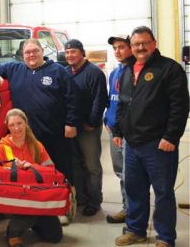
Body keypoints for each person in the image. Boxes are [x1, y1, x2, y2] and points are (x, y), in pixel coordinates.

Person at [0, 38, 81, 225]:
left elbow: (73, 99)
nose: (31, 55)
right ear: (22, 55)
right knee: (33, 174)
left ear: (42, 51)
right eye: (27, 52)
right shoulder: (15, 69)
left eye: (34, 51)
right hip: (28, 137)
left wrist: (71, 123)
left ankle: (63, 207)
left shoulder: (58, 71)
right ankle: (38, 207)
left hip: (55, 134)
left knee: (60, 171)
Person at [113, 26, 189, 247]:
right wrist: (118, 131)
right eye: (136, 44)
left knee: (163, 193)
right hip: (132, 145)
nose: (140, 47)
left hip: (159, 144)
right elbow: (123, 104)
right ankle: (136, 230)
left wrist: (171, 137)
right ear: (132, 47)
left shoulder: (169, 69)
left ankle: (165, 237)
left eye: (145, 43)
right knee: (134, 190)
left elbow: (180, 106)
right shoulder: (127, 71)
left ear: (154, 43)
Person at [0, 108, 62, 247]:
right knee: (27, 212)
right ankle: (13, 233)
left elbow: (50, 170)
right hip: (14, 198)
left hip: (37, 195)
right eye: (12, 125)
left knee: (55, 236)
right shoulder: (2, 148)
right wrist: (11, 168)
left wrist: (33, 167)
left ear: (26, 123)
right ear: (7, 126)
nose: (16, 128)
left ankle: (32, 221)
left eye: (19, 123)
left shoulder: (36, 145)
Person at [64, 39, 108, 217]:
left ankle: (94, 201)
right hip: (71, 126)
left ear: (82, 53)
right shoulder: (66, 72)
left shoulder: (94, 73)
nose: (70, 55)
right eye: (67, 53)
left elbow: (100, 100)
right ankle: (81, 197)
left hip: (88, 127)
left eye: (73, 52)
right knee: (75, 164)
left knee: (92, 166)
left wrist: (92, 122)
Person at [104, 34, 134, 223]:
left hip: (128, 133)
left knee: (130, 174)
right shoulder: (116, 72)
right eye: (115, 48)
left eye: (121, 47)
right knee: (120, 172)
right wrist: (107, 120)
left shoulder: (135, 71)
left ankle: (133, 212)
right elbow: (113, 100)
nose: (117, 51)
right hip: (114, 130)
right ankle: (128, 208)